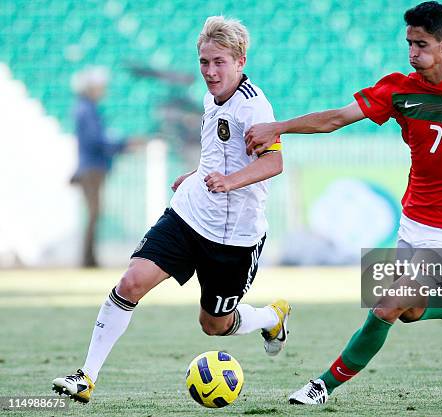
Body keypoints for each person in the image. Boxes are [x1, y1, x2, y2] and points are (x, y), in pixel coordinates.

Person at [245, 1, 442, 404]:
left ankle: (321, 386)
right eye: (409, 44)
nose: (412, 53)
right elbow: (336, 119)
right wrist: (281, 127)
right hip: (413, 225)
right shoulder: (399, 89)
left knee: (386, 307)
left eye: (421, 44)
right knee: (412, 311)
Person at [52, 16, 289, 403]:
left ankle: (270, 318)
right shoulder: (209, 98)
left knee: (213, 325)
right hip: (188, 214)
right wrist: (196, 174)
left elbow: (273, 164)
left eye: (219, 63)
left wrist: (230, 182)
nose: (210, 72)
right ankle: (85, 376)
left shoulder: (255, 108)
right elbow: (217, 152)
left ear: (240, 61)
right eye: (204, 62)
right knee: (131, 281)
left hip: (233, 237)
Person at [70, 66, 134, 267]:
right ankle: (88, 259)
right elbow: (96, 140)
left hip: (90, 167)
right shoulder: (87, 109)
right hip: (92, 169)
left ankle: (89, 258)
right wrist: (122, 145)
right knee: (94, 213)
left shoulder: (86, 108)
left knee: (94, 213)